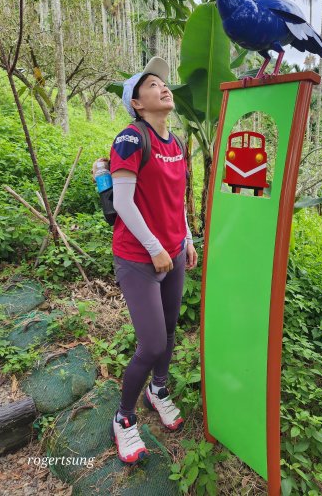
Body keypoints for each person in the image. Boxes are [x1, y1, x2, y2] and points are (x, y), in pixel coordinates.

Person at [102, 56, 198, 464]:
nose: (163, 87)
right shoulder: (130, 138)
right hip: (138, 258)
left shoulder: (175, 143)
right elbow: (123, 202)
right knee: (153, 341)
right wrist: (155, 247)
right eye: (152, 84)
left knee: (171, 328)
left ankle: (158, 390)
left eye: (164, 82)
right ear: (137, 104)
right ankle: (123, 419)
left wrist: (186, 239)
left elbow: (175, 201)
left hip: (173, 252)